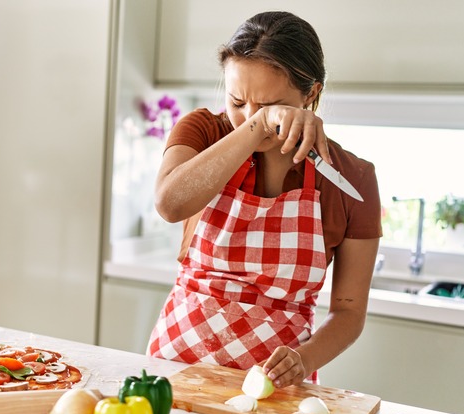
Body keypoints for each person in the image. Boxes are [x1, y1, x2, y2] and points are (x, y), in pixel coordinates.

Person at [146, 11, 382, 388]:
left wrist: (302, 361)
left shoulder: (353, 178)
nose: (247, 117)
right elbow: (169, 205)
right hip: (176, 364)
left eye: (272, 104)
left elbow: (349, 314)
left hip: (273, 388)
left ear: (311, 93)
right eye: (237, 101)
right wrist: (258, 125)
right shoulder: (203, 131)